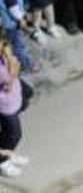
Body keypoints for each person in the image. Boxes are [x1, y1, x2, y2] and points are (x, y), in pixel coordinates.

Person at [0, 30, 28, 177]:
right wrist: (10, 59)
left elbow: (17, 70)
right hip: (5, 105)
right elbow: (9, 80)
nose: (4, 44)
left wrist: (10, 58)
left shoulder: (4, 51)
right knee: (13, 135)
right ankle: (2, 162)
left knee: (9, 133)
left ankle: (7, 155)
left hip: (13, 98)